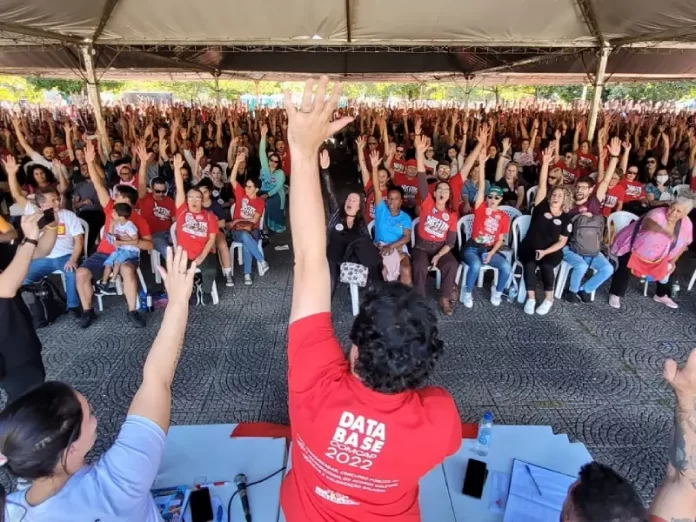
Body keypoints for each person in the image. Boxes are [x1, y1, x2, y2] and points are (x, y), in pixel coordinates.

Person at [280, 76, 460, 522]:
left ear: (354, 349)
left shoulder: (312, 379)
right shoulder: (440, 424)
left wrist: (301, 154)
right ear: (422, 366)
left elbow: (308, 261)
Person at [0, 246, 196, 522]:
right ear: (72, 450)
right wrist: (177, 302)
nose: (96, 417)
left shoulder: (11, 510)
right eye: (89, 413)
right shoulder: (118, 483)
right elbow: (156, 380)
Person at [76, 142, 153, 329]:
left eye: (118, 196)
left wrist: (133, 241)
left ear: (127, 202)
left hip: (126, 255)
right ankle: (88, 311)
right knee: (81, 273)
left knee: (127, 269)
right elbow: (98, 185)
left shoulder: (138, 219)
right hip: (103, 253)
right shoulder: (110, 208)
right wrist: (91, 162)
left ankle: (132, 311)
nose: (114, 198)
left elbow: (149, 246)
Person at [4, 155, 85, 317]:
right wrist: (11, 173)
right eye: (52, 201)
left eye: (57, 199)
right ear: (40, 204)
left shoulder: (68, 215)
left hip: (65, 256)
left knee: (71, 271)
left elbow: (79, 240)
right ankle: (34, 307)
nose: (57, 203)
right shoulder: (34, 212)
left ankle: (73, 306)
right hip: (41, 259)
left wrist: (73, 259)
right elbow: (17, 195)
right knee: (23, 275)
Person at [0, 213, 58, 404]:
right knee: (26, 401)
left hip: (17, 334)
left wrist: (51, 224)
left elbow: (39, 250)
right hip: (8, 348)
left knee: (32, 388)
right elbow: (5, 288)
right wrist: (31, 238)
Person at [561, 138, 620, 303]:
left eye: (584, 188)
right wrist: (577, 217)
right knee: (581, 265)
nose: (580, 190)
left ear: (591, 190)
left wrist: (614, 158)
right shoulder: (568, 202)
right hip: (570, 247)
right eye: (578, 187)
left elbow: (606, 181)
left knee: (608, 268)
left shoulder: (593, 202)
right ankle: (571, 292)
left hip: (590, 248)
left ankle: (584, 289)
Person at [608, 195, 694, 309]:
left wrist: (673, 261)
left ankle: (661, 295)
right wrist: (665, 232)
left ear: (684, 214)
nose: (673, 213)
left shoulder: (686, 223)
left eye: (678, 211)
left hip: (659, 255)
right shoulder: (657, 213)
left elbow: (684, 244)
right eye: (672, 208)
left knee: (670, 267)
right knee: (625, 265)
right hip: (631, 246)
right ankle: (615, 294)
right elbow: (647, 224)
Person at [518, 143, 571, 316]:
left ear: (565, 200)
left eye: (559, 196)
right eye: (554, 194)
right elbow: (542, 186)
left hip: (551, 250)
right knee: (529, 263)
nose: (555, 197)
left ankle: (548, 299)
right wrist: (546, 163)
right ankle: (531, 298)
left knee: (547, 266)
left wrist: (546, 251)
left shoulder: (566, 218)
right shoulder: (541, 206)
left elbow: (562, 242)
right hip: (530, 246)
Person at [412, 134, 460, 315]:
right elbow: (422, 177)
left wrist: (439, 255)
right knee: (420, 266)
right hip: (422, 246)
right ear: (435, 193)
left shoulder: (452, 215)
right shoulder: (427, 203)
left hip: (440, 247)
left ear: (449, 195)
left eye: (446, 190)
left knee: (451, 265)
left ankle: (445, 297)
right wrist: (419, 153)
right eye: (439, 189)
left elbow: (451, 242)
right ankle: (419, 299)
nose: (442, 191)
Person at [321, 150, 381, 294]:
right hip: (335, 256)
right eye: (348, 199)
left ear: (359, 207)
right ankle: (326, 306)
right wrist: (325, 171)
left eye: (354, 200)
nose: (350, 201)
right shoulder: (337, 213)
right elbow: (330, 193)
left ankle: (376, 291)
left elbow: (366, 241)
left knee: (363, 244)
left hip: (352, 258)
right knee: (332, 266)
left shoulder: (361, 222)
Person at [461, 143, 512, 309]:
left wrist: (491, 253)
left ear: (500, 200)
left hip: (489, 249)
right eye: (491, 196)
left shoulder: (504, 217)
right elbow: (482, 187)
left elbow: (500, 239)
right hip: (472, 248)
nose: (493, 199)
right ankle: (467, 292)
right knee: (475, 265)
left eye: (497, 197)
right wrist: (482, 164)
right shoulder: (481, 208)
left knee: (505, 266)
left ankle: (497, 291)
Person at [172, 154, 219, 305]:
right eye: (190, 197)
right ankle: (190, 289)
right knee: (181, 272)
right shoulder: (182, 212)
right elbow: (179, 190)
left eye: (197, 198)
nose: (194, 200)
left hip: (202, 253)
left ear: (202, 200)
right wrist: (177, 170)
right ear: (186, 200)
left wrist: (202, 256)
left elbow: (212, 239)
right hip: (184, 255)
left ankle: (205, 290)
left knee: (211, 270)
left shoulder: (209, 216)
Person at [366, 148, 412, 285]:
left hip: (398, 247)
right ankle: (386, 299)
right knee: (383, 270)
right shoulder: (381, 209)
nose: (392, 201)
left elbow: (407, 237)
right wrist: (374, 167)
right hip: (380, 246)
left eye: (396, 199)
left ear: (401, 201)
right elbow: (376, 186)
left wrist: (392, 246)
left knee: (406, 269)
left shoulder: (405, 217)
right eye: (390, 198)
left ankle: (406, 302)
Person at [228, 151, 270, 285]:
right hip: (237, 231)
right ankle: (261, 261)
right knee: (246, 237)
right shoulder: (241, 194)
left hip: (253, 230)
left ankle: (247, 275)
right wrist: (237, 163)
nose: (246, 188)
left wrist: (237, 220)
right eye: (246, 186)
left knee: (247, 240)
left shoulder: (259, 202)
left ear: (256, 189)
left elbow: (254, 221)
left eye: (250, 187)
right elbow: (232, 180)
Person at [136, 143, 176, 260]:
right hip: (154, 235)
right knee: (167, 251)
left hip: (169, 233)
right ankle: (174, 275)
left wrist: (174, 234)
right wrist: (143, 163)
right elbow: (142, 182)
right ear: (151, 189)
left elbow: (174, 221)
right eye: (157, 191)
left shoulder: (169, 200)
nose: (161, 194)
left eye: (163, 191)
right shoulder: (145, 197)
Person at [100, 203, 140, 286]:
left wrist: (120, 241)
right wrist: (111, 225)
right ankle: (103, 283)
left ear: (121, 217)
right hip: (120, 249)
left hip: (131, 250)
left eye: (114, 213)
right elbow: (111, 236)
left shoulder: (130, 226)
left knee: (117, 262)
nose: (112, 215)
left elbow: (136, 241)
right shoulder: (117, 224)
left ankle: (113, 281)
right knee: (108, 262)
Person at [259, 124, 286, 233]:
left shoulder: (280, 173)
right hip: (264, 191)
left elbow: (278, 187)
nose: (273, 163)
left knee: (268, 204)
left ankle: (270, 225)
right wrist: (263, 136)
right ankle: (260, 225)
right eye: (271, 160)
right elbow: (262, 153)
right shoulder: (264, 168)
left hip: (276, 194)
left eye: (276, 161)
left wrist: (268, 195)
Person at [495, 138, 525, 209]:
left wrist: (516, 207)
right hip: (501, 207)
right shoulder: (500, 179)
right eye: (509, 170)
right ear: (505, 170)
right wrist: (505, 150)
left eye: (513, 171)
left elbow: (521, 195)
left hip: (515, 206)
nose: (511, 172)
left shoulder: (519, 181)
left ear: (516, 172)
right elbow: (499, 166)